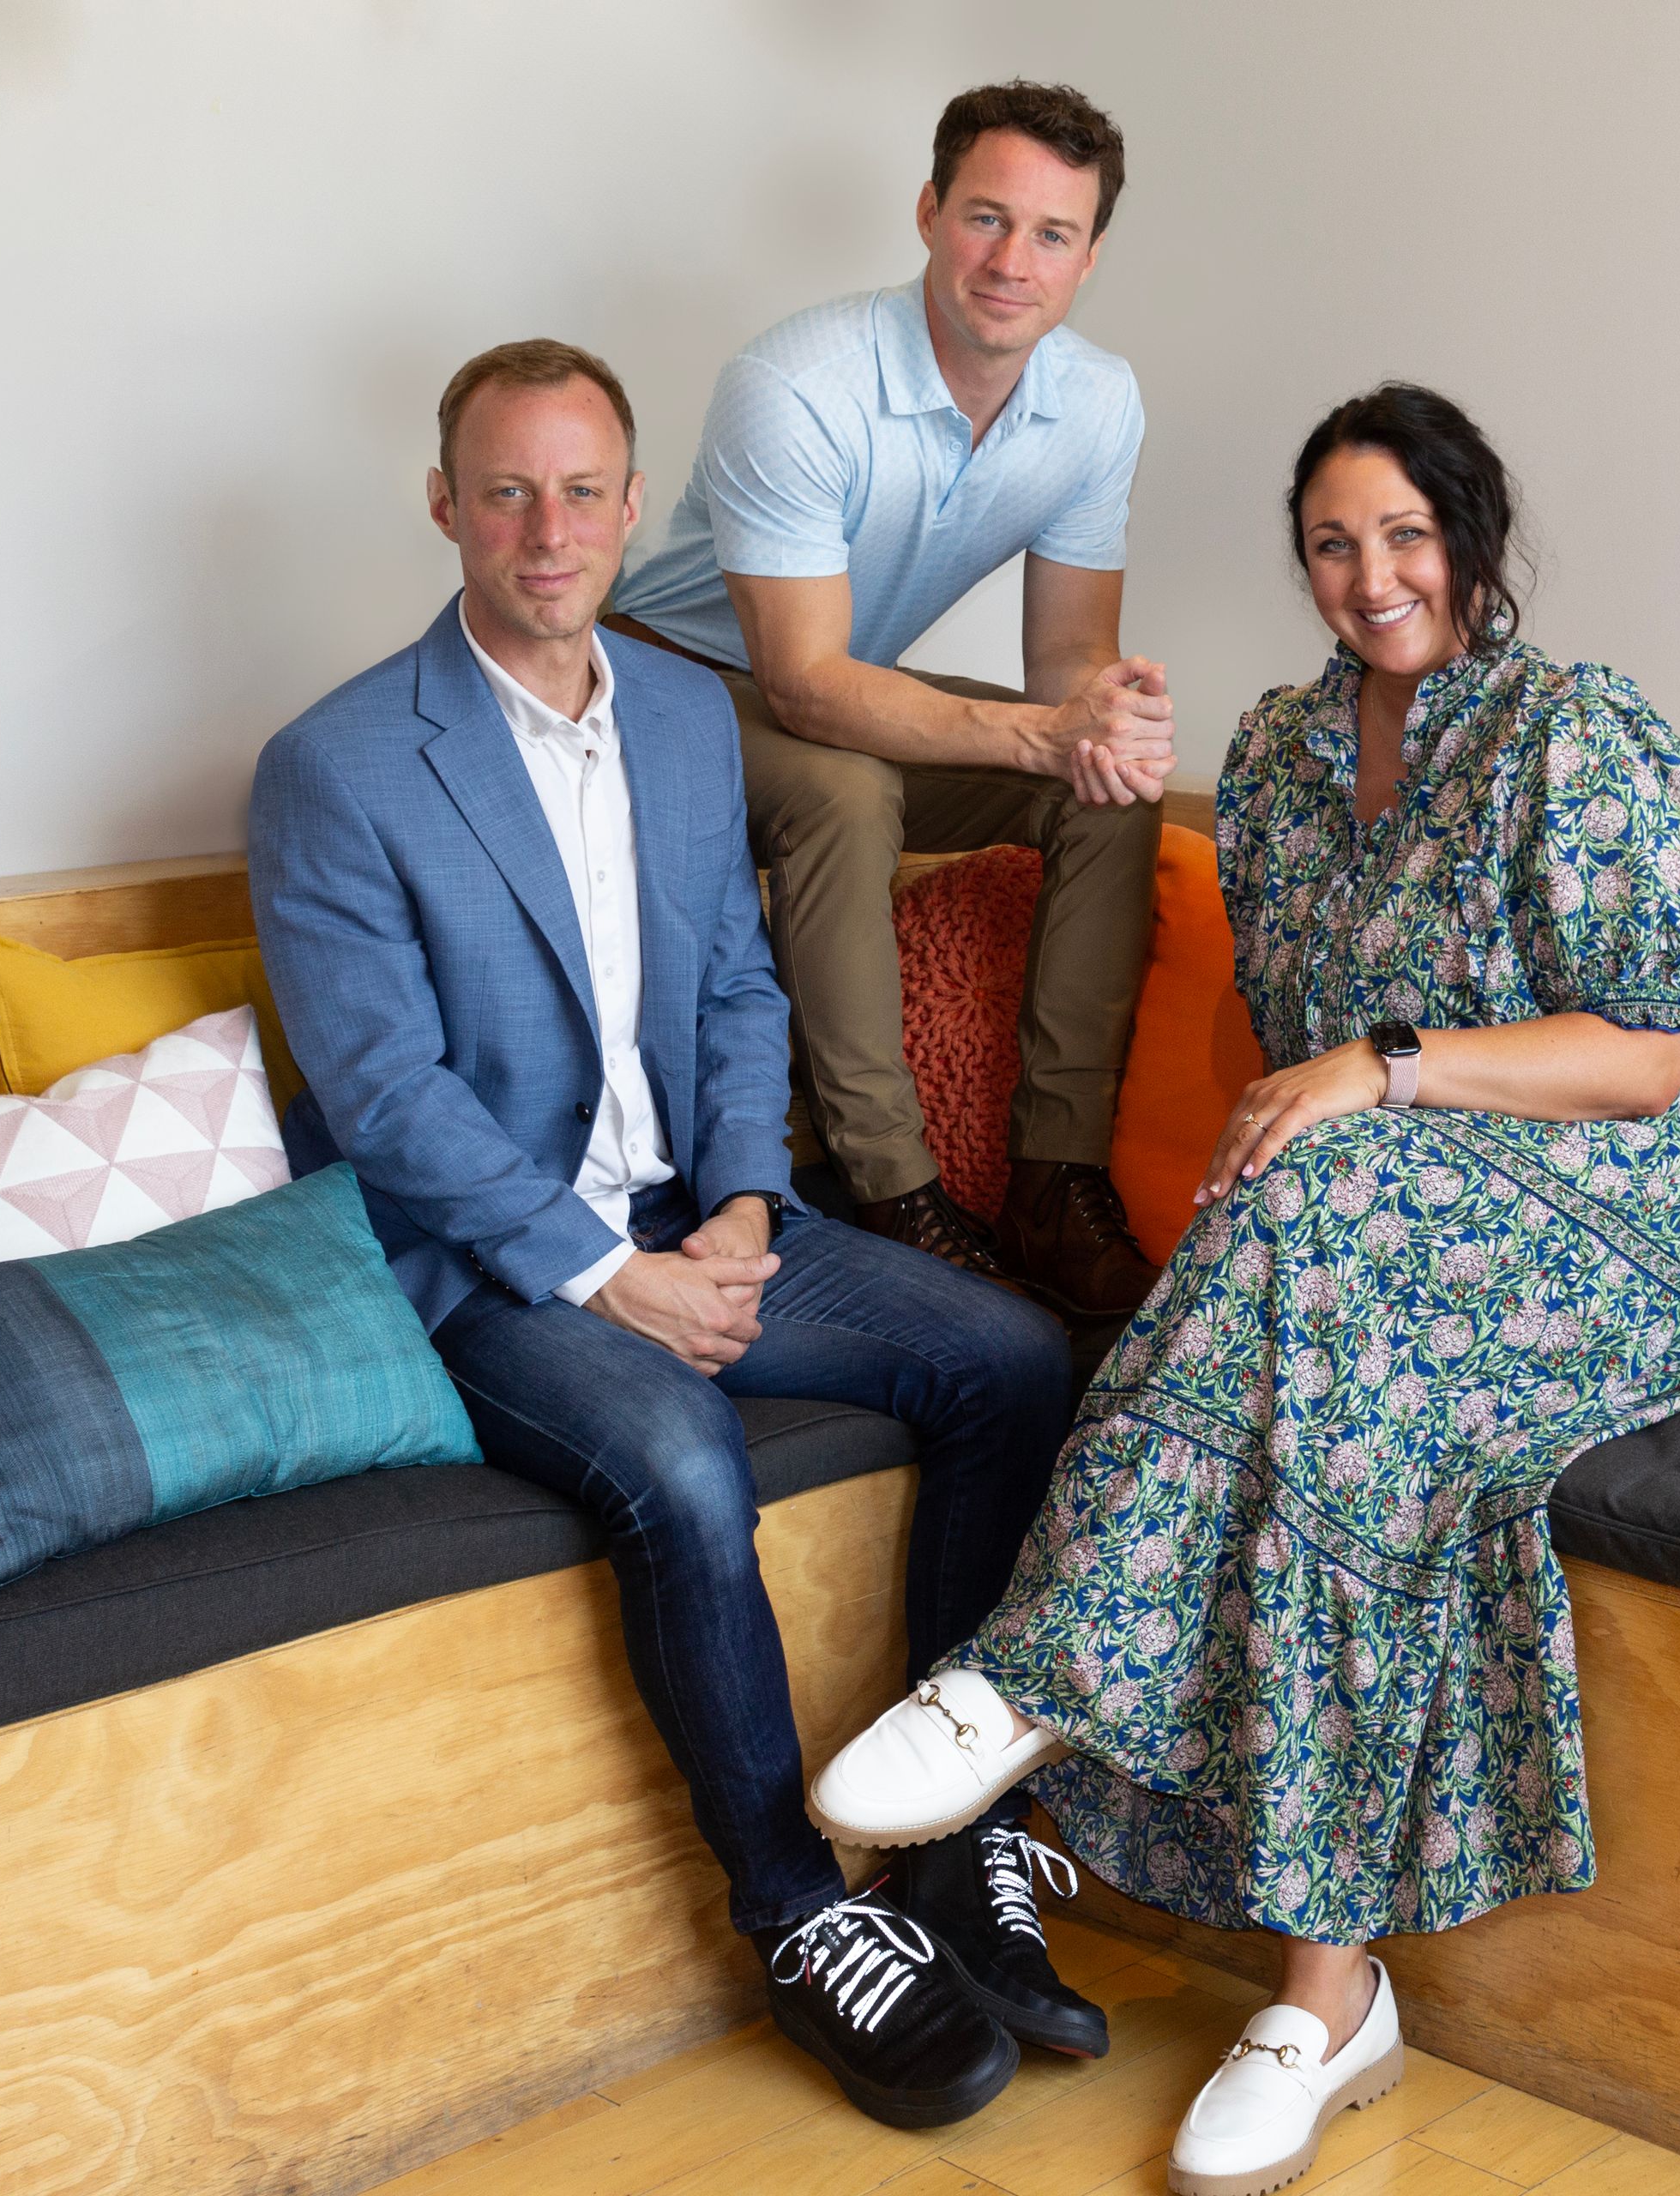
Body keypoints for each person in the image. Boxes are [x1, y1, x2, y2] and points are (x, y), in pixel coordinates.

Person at [808, 384, 1680, 2193]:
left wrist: (1390, 1069)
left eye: (1406, 536)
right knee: (1346, 1373)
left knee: (1326, 1225)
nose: (1371, 576)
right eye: (1334, 545)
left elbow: (1653, 1057)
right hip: (1403, 1206)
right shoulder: (1273, 757)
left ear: (1473, 541)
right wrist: (1354, 1107)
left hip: (1646, 1195)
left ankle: (1034, 1675)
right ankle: (1326, 1997)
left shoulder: (1580, 735)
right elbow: (1290, 1051)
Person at [248, 340, 1105, 2133]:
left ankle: (953, 1847)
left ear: (637, 512)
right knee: (686, 1461)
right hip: (487, 1264)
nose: (546, 529)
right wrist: (612, 1275)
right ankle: (799, 1910)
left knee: (1015, 1358)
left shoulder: (684, 712)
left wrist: (730, 1208)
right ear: (444, 508)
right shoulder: (336, 765)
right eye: (507, 490)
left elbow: (731, 987)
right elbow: (390, 1097)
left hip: (693, 1214)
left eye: (581, 491)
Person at [606, 80, 1171, 1318]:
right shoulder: (798, 380)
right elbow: (806, 686)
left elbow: (1068, 655)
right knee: (846, 787)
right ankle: (894, 1191)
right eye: (985, 217)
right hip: (655, 679)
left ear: (1091, 255)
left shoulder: (1099, 402)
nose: (1011, 261)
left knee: (1112, 796)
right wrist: (1039, 729)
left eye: (1052, 233)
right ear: (927, 212)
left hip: (827, 678)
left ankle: (1054, 1181)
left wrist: (1103, 715)